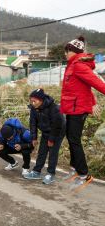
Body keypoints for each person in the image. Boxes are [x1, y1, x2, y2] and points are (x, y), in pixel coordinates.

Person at [61, 36, 105, 191]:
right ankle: (74, 167)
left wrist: (90, 104)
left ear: (74, 51)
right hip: (72, 107)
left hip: (78, 108)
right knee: (71, 138)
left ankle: (84, 175)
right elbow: (85, 87)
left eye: (67, 51)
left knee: (74, 140)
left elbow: (96, 83)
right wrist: (92, 103)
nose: (65, 54)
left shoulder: (79, 66)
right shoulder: (72, 65)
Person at [24, 88, 66, 184]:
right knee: (42, 152)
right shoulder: (34, 109)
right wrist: (34, 138)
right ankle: (36, 172)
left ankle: (50, 174)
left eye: (35, 101)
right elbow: (33, 123)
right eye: (31, 101)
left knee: (52, 153)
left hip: (57, 132)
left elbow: (57, 125)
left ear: (41, 100)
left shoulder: (53, 108)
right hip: (46, 132)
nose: (33, 103)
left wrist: (52, 139)